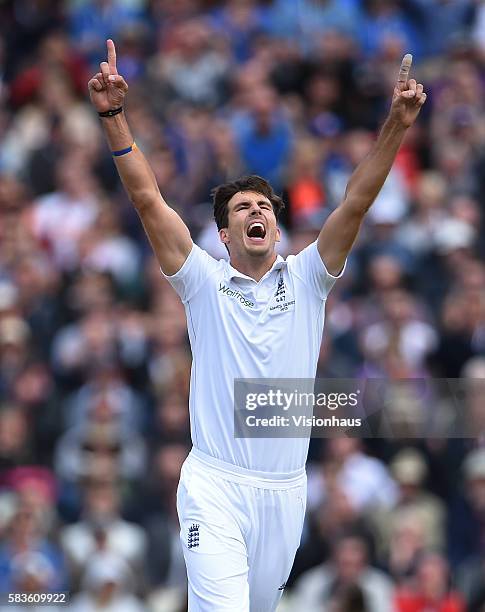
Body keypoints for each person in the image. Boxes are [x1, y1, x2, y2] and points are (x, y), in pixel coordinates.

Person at [87, 40, 426, 612]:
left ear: (277, 224)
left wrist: (395, 124)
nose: (257, 213)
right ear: (223, 235)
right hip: (214, 484)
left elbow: (357, 201)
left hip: (285, 493)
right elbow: (148, 201)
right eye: (243, 208)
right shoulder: (203, 281)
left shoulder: (310, 277)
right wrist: (113, 117)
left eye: (265, 206)